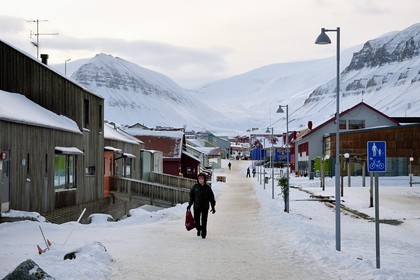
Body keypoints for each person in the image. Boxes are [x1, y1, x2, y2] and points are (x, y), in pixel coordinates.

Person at [187, 173, 216, 239]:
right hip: (197, 206)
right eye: (199, 178)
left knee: (204, 220)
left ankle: (204, 233)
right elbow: (192, 196)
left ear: (204, 179)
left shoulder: (208, 188)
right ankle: (199, 229)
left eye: (202, 178)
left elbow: (211, 198)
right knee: (196, 221)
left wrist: (213, 206)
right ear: (198, 179)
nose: (201, 180)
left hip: (205, 207)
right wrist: (190, 204)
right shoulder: (195, 187)